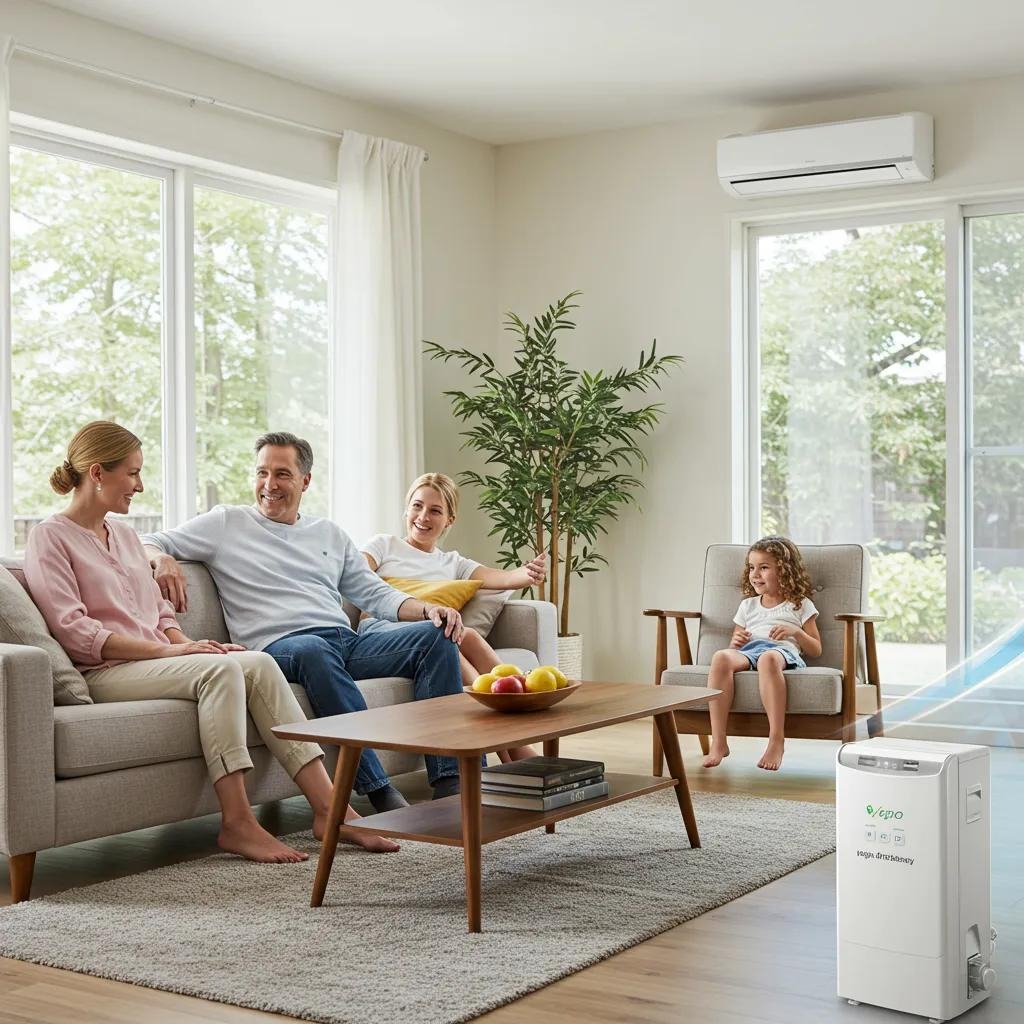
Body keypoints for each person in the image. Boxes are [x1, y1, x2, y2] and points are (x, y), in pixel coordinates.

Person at [25, 421, 397, 863]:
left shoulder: (123, 535)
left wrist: (192, 643)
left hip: (155, 661)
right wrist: (171, 652)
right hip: (107, 670)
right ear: (97, 473)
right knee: (220, 673)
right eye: (133, 473)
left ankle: (331, 810)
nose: (140, 486)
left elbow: (159, 611)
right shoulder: (50, 537)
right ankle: (237, 822)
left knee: (257, 662)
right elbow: (75, 632)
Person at [142, 432, 467, 809]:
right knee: (314, 650)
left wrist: (427, 610)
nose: (269, 484)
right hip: (280, 648)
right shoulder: (227, 522)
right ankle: (379, 789)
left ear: (305, 480)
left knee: (435, 636)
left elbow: (374, 593)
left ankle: (451, 780)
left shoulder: (328, 533)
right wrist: (161, 558)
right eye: (262, 472)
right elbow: (147, 540)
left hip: (344, 642)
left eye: (282, 474)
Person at [360, 472, 546, 762]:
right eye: (417, 506)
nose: (423, 516)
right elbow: (355, 573)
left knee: (465, 634)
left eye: (435, 511)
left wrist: (529, 573)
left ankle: (521, 720)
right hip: (382, 632)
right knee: (445, 637)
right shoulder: (384, 545)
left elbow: (503, 578)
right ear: (406, 509)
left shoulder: (452, 563)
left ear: (449, 520)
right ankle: (521, 755)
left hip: (431, 634)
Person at [702, 535, 822, 772]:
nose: (755, 574)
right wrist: (736, 642)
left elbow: (816, 649)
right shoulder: (748, 606)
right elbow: (735, 645)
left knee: (768, 659)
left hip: (782, 652)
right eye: (751, 567)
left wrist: (796, 632)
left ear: (784, 571)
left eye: (764, 567)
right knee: (721, 657)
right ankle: (719, 741)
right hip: (750, 651)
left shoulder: (800, 604)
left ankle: (776, 740)